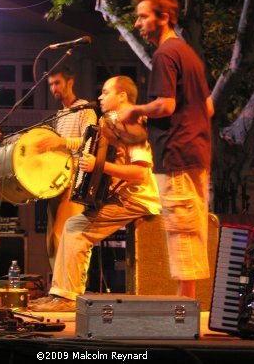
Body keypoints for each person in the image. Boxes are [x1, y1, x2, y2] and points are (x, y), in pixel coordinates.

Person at [31, 76, 161, 312]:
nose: (100, 96)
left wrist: (97, 167)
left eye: (105, 91)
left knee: (75, 229)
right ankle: (58, 294)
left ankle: (68, 298)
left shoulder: (132, 126)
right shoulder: (109, 123)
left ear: (122, 95)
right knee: (73, 226)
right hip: (117, 197)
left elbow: (141, 174)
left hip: (135, 198)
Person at [119, 0, 214, 298]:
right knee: (190, 229)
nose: (138, 24)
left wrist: (136, 110)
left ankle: (182, 309)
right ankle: (185, 305)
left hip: (176, 154)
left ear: (164, 18)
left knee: (181, 231)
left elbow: (166, 105)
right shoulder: (188, 55)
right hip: (195, 152)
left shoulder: (165, 54)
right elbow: (207, 107)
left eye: (143, 17)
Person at [40, 66, 97, 271]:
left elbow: (89, 141)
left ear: (69, 83)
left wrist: (60, 142)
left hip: (75, 178)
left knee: (64, 232)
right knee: (52, 234)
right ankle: (57, 284)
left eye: (57, 83)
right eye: (51, 85)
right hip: (58, 177)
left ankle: (66, 288)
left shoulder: (85, 109)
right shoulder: (59, 114)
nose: (53, 88)